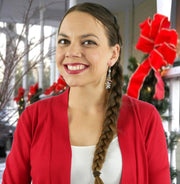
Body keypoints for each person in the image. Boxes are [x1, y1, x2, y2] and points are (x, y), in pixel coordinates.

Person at [2, 2, 171, 184]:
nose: (72, 52)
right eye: (64, 41)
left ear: (113, 54)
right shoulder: (33, 118)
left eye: (88, 42)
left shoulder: (145, 118)